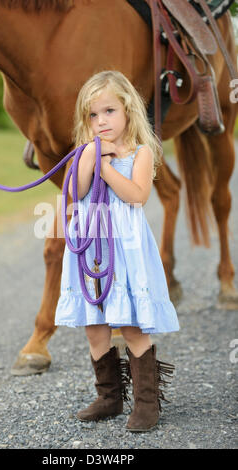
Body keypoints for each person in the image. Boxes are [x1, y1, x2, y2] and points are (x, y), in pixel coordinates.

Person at [55, 70, 180, 432]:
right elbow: (75, 193)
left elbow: (137, 196)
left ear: (127, 110)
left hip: (124, 251)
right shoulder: (85, 154)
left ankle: (145, 401)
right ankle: (109, 397)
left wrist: (106, 167)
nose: (101, 121)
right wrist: (91, 159)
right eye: (92, 115)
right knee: (95, 327)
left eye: (108, 111)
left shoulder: (140, 152)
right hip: (92, 248)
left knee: (130, 324)